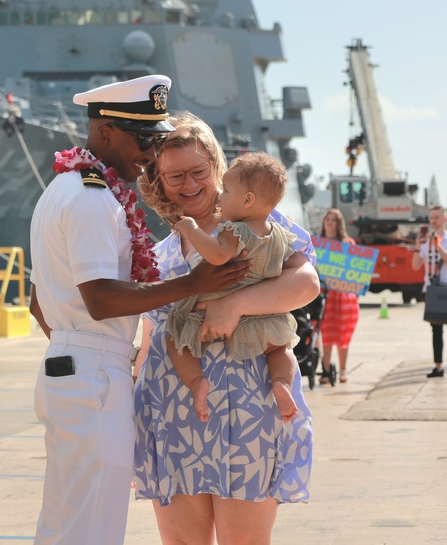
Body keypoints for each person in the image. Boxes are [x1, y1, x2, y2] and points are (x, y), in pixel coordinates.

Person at [28, 77, 251, 545]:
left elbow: (37, 302)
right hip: (93, 378)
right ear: (106, 131)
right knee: (93, 529)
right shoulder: (91, 198)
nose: (150, 155)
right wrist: (193, 283)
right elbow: (101, 298)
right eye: (145, 140)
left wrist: (77, 345)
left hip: (76, 368)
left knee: (66, 521)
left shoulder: (63, 190)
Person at [133, 111, 318, 545]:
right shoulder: (157, 254)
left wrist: (235, 305)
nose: (190, 184)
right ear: (158, 180)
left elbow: (306, 284)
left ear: (216, 166)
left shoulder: (260, 225)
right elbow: (150, 337)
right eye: (174, 175)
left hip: (250, 404)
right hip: (172, 410)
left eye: (198, 171)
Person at [169, 152, 300, 422]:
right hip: (264, 318)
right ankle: (281, 384)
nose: (220, 196)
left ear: (247, 200)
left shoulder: (235, 230)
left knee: (176, 338)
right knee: (280, 349)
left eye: (226, 190)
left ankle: (197, 384)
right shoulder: (279, 235)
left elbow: (217, 256)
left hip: (211, 314)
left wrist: (192, 230)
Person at [412, 205, 447, 378]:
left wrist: (439, 245)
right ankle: (438, 366)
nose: (434, 221)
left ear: (444, 219)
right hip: (431, 289)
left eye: (437, 217)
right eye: (432, 218)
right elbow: (415, 266)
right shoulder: (426, 243)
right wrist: (419, 246)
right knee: (436, 329)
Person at [314, 208, 359, 384]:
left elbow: (354, 271)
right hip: (324, 295)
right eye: (328, 219)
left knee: (343, 333)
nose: (330, 222)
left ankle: (342, 369)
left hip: (344, 296)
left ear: (339, 224)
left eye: (334, 220)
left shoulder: (347, 243)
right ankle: (325, 370)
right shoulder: (317, 244)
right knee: (325, 332)